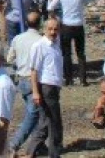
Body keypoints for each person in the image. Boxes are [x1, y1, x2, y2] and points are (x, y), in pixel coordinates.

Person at [24, 18, 64, 158]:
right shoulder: (39, 46)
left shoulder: (56, 43)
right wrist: (35, 92)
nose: (53, 32)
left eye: (55, 29)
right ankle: (54, 154)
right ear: (44, 29)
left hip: (54, 87)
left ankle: (30, 151)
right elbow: (34, 70)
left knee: (45, 122)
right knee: (54, 123)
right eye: (50, 29)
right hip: (46, 87)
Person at [7, 12, 41, 155]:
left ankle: (37, 144)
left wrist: (20, 63)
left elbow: (9, 59)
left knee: (31, 112)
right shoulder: (41, 40)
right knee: (33, 114)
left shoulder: (17, 39)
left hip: (21, 79)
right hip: (34, 80)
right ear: (40, 23)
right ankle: (14, 143)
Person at [47, 0, 88, 86]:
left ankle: (68, 79)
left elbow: (50, 7)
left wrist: (55, 17)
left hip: (66, 25)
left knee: (66, 53)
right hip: (79, 24)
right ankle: (83, 79)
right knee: (80, 52)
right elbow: (86, 2)